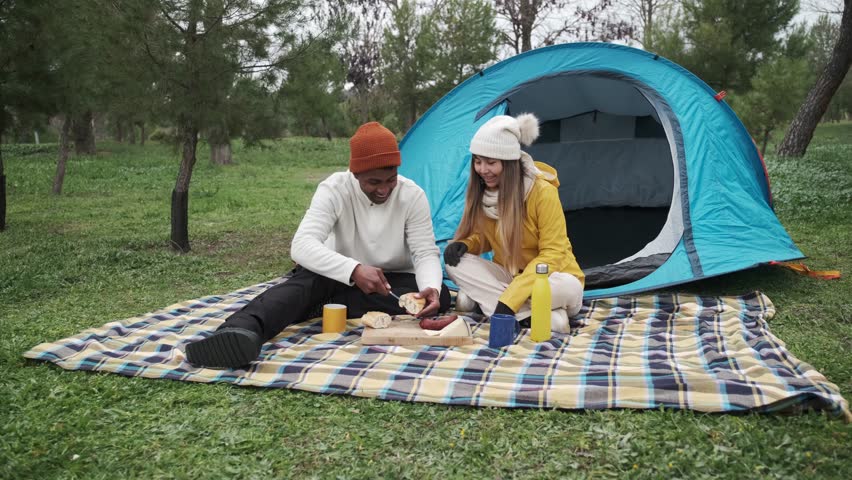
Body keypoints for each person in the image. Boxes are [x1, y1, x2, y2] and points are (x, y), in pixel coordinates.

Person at [186, 122, 451, 369]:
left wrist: (430, 288)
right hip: (338, 275)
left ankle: (313, 305)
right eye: (374, 182)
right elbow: (301, 245)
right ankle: (241, 331)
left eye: (390, 179)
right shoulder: (334, 188)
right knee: (305, 284)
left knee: (441, 295)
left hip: (391, 282)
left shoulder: (412, 195)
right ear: (355, 174)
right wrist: (355, 270)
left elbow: (425, 252)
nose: (384, 189)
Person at [443, 113, 584, 333]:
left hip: (551, 277)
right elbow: (486, 237)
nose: (482, 170)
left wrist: (509, 300)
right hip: (510, 275)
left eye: (491, 162)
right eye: (478, 162)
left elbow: (553, 253)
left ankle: (493, 302)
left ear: (509, 163)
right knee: (455, 264)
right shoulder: (485, 194)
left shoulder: (542, 192)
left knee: (568, 287)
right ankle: (538, 316)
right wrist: (468, 245)